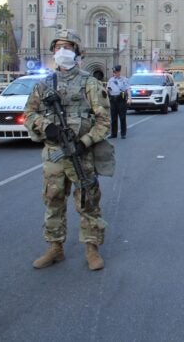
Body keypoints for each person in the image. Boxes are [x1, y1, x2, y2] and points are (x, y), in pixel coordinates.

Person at [24, 29, 110, 271]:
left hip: (81, 153)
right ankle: (55, 247)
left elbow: (104, 122)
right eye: (58, 47)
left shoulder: (90, 83)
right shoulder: (43, 85)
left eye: (68, 47)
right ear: (53, 51)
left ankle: (92, 248)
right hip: (54, 153)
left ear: (77, 52)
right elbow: (29, 114)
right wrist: (46, 126)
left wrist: (85, 141)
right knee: (53, 199)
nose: (63, 51)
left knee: (87, 200)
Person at [107, 64, 129, 139]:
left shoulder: (124, 79)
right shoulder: (111, 80)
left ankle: (123, 133)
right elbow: (108, 89)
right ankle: (114, 134)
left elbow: (128, 89)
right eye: (114, 72)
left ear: (119, 72)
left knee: (122, 117)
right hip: (113, 100)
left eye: (116, 72)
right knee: (113, 118)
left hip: (121, 100)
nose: (115, 73)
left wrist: (130, 98)